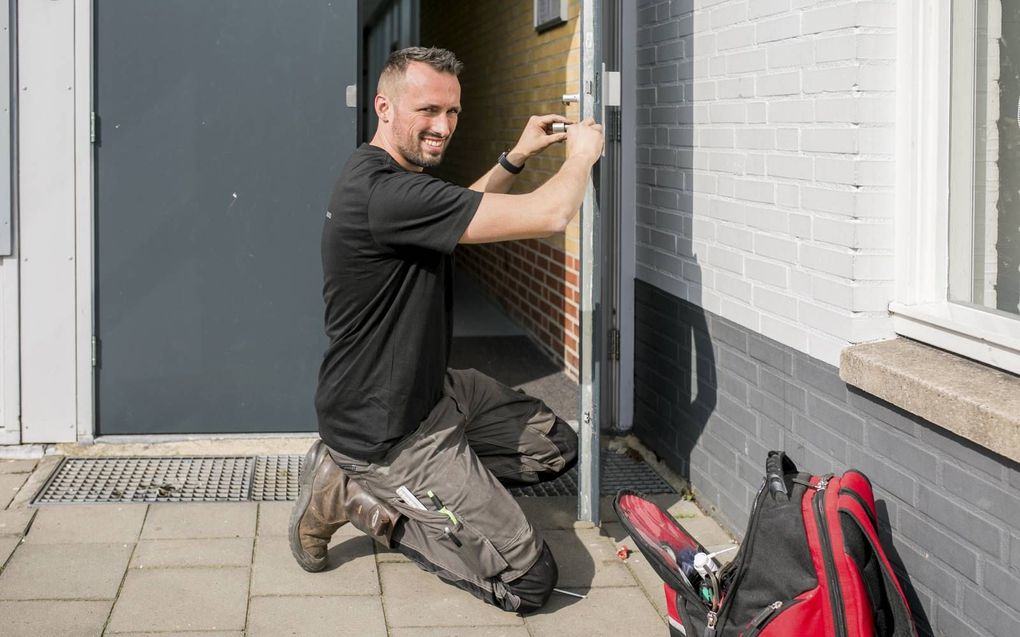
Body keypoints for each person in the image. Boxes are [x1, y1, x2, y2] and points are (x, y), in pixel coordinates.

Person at [289, 46, 604, 614]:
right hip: (386, 433)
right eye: (428, 110)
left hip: (435, 393)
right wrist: (580, 156)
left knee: (552, 449)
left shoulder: (392, 180)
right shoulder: (383, 192)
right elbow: (551, 214)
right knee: (530, 584)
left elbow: (458, 213)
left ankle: (451, 497)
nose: (443, 126)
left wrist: (516, 156)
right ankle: (355, 492)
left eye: (453, 112)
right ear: (384, 107)